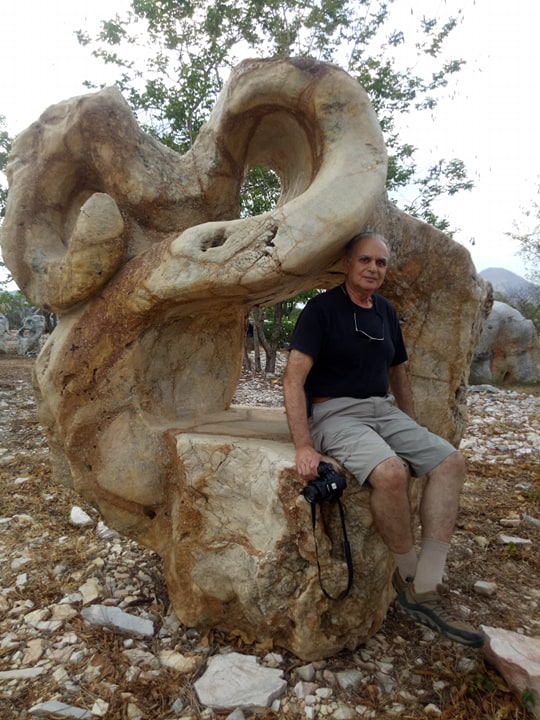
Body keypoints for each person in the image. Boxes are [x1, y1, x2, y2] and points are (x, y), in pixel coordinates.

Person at [283, 231, 483, 648]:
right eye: (365, 261)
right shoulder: (320, 311)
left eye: (381, 263)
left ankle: (426, 583)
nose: (373, 269)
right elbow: (294, 378)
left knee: (450, 463)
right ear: (348, 263)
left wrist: (411, 426)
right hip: (334, 412)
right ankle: (411, 578)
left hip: (383, 409)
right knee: (390, 474)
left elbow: (399, 372)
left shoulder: (386, 312)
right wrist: (304, 445)